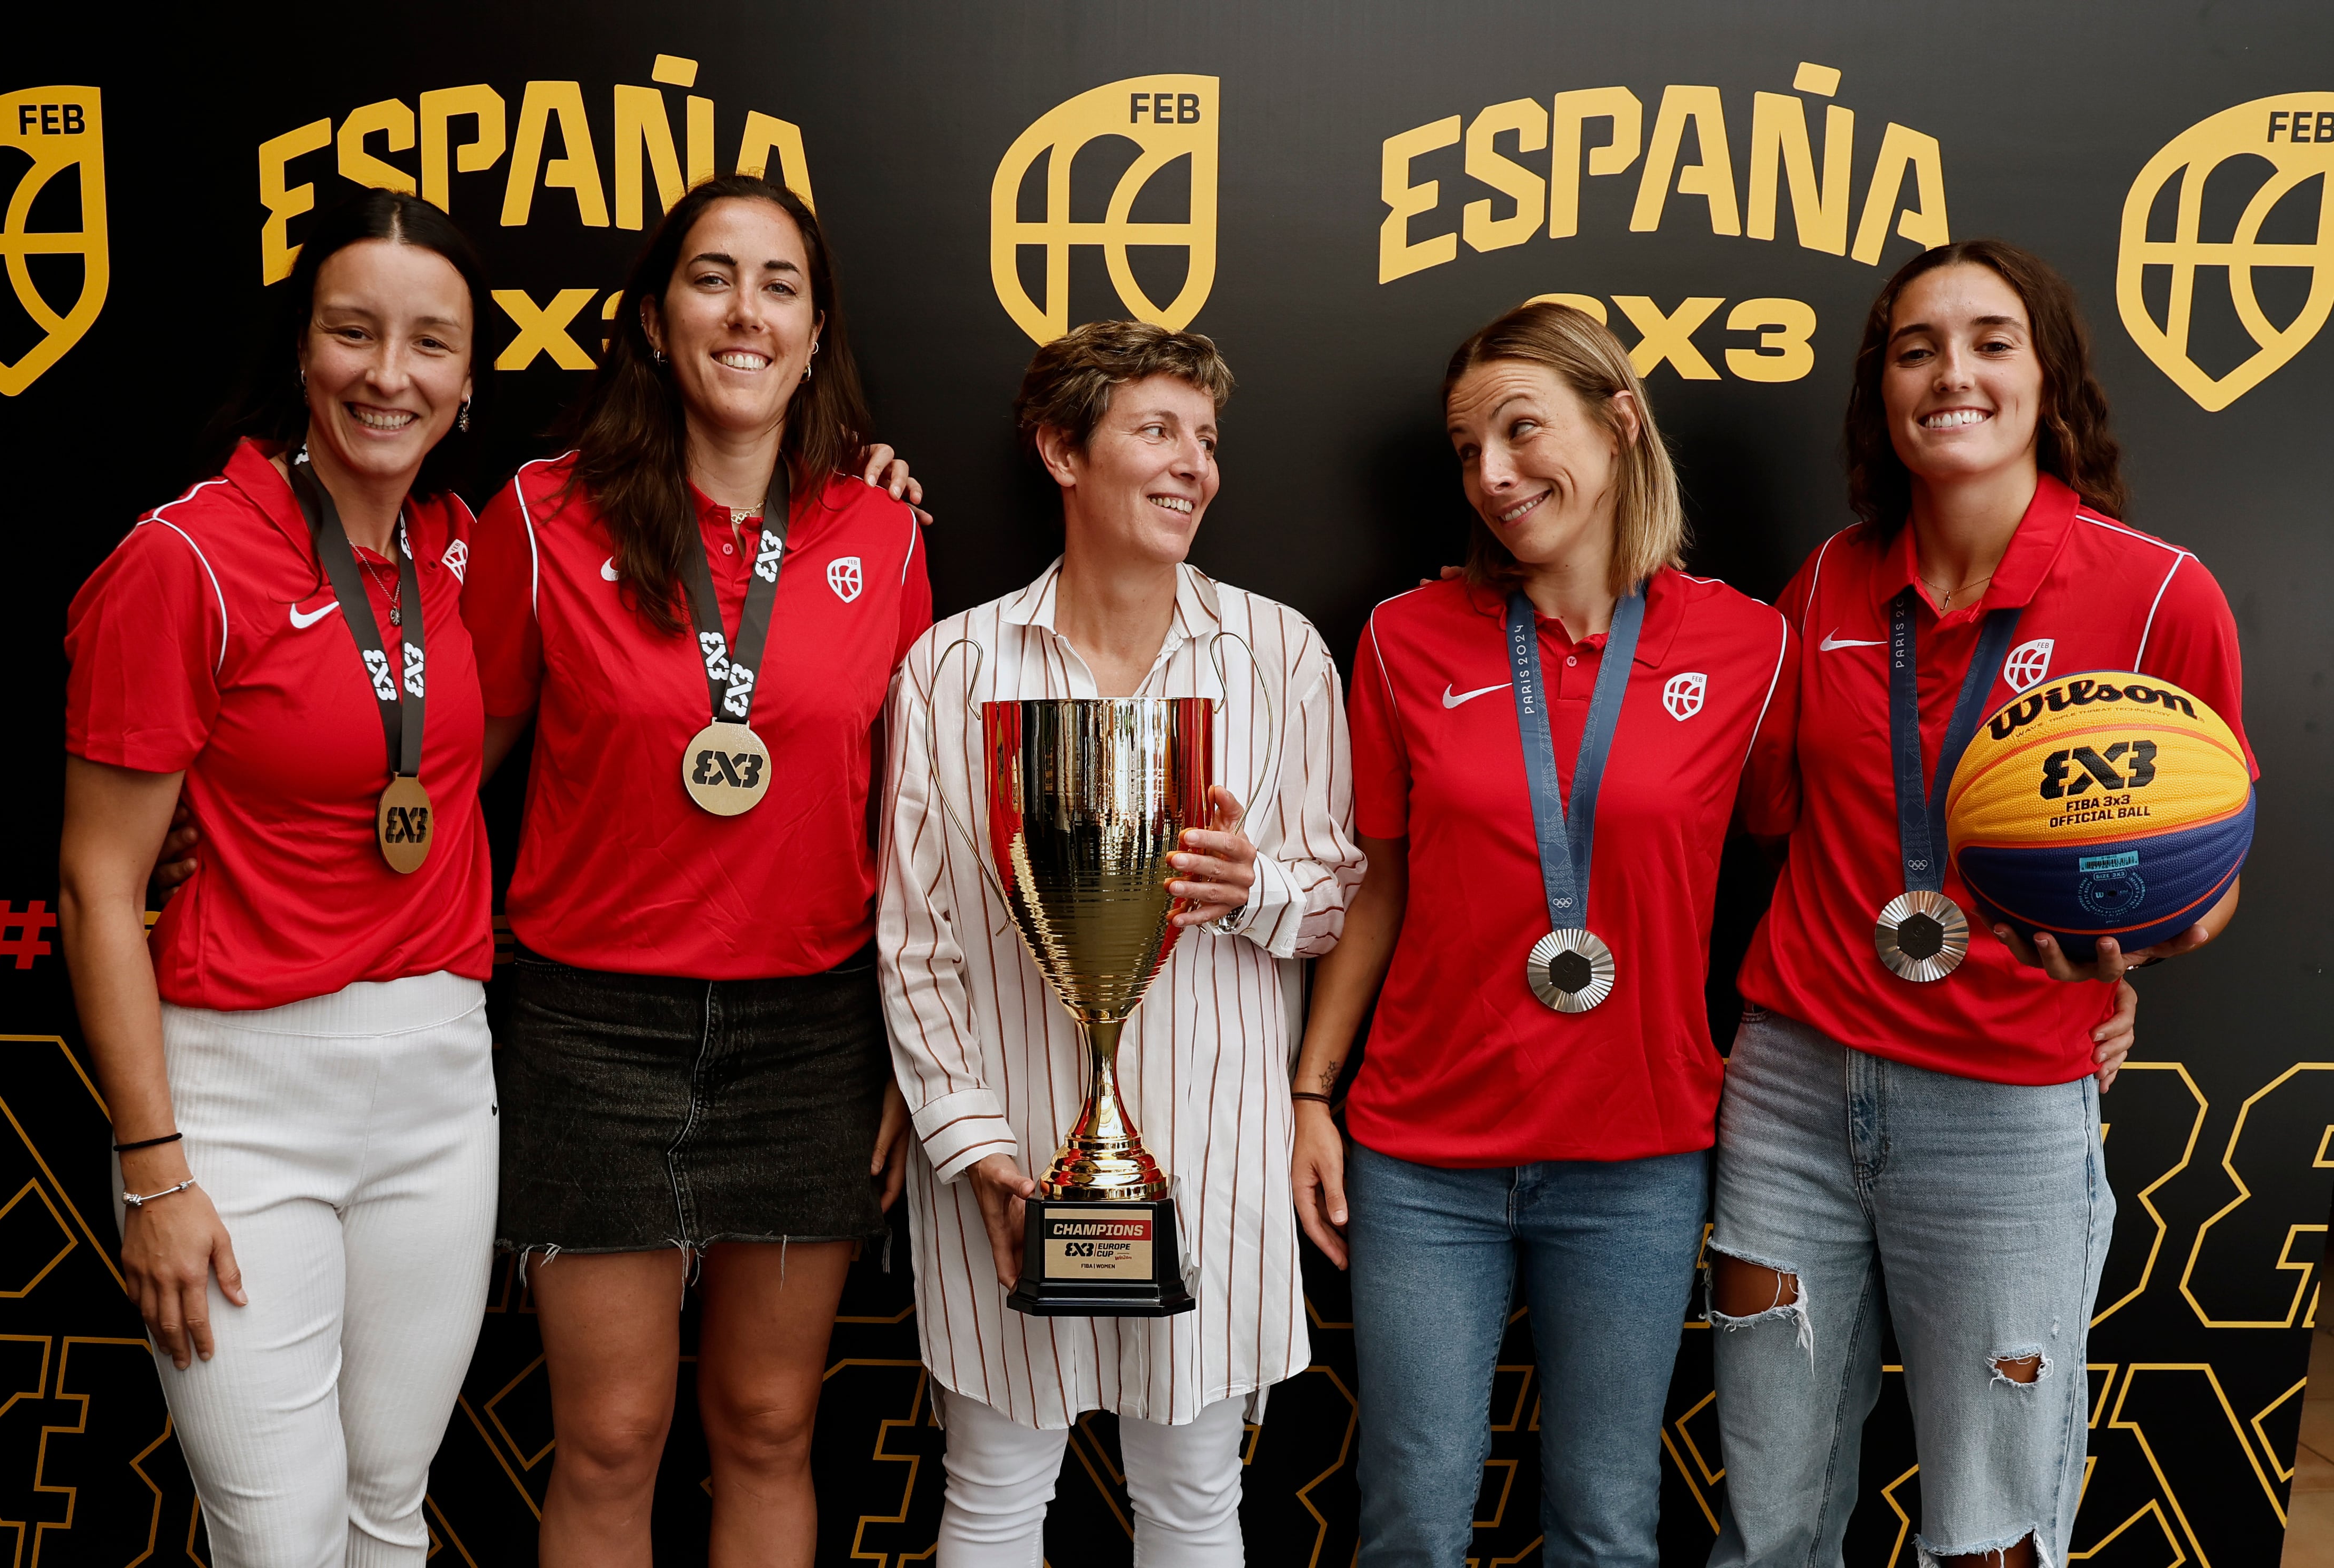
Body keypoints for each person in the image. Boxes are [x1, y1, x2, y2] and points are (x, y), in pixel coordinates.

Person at [1706, 239, 2235, 1568]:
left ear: (2045, 375)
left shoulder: (2159, 591)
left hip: (2004, 1108)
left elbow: (2207, 887)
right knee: (1770, 1526)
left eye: (1991, 340)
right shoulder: (1824, 583)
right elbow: (1756, 813)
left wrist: (2124, 954)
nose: (1953, 372)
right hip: (1789, 1097)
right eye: (1915, 347)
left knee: (1991, 1537)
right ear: (1880, 391)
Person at [1286, 300, 1811, 1567]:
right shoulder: (1406, 638)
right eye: (1468, 449)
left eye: (1522, 431)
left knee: (1605, 1521)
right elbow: (1377, 882)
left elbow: (1818, 863)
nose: (1493, 475)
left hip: (1635, 1154)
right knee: (1410, 1520)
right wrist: (1313, 1088)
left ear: (1618, 422)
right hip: (1422, 1156)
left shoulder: (1748, 644)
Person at [461, 175, 926, 1568]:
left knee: (771, 1423)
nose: (745, 310)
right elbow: (439, 771)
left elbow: (909, 825)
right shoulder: (542, 519)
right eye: (711, 277)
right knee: (610, 1435)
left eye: (779, 283)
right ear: (657, 323)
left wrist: (913, 1054)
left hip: (808, 1033)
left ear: (815, 325)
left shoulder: (884, 533)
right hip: (591, 1028)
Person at [59, 188, 500, 1566]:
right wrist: (154, 1173)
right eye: (354, 333)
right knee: (279, 1535)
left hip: (438, 1090)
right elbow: (93, 886)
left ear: (468, 378)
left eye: (430, 343)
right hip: (241, 1103)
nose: (390, 374)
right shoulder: (182, 559)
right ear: (302, 352)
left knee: (385, 1509)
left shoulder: (463, 547)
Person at [878, 319, 1364, 1566]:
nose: (1191, 466)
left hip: (1210, 1154)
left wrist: (1251, 887)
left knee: (1196, 1498)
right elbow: (914, 937)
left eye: (1205, 441)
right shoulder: (950, 666)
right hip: (1011, 1162)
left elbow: (1330, 906)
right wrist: (974, 1148)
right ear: (1059, 450)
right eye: (1155, 431)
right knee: (989, 1492)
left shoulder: (1281, 655)